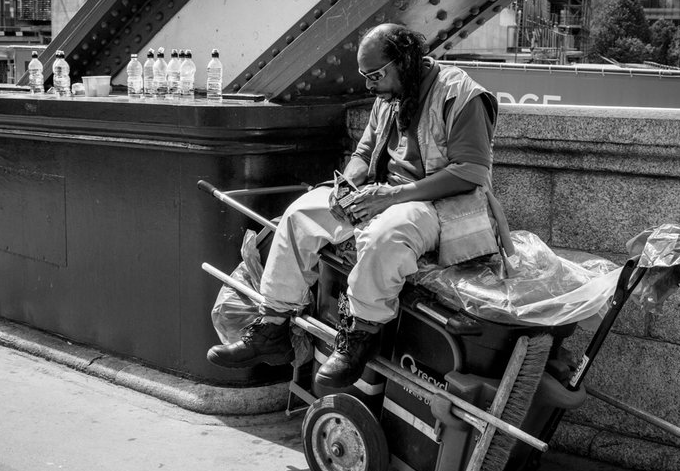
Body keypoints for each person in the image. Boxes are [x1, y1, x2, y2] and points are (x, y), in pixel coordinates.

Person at [208, 23, 498, 387]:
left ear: (405, 61)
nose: (369, 85)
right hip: (383, 193)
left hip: (437, 204)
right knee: (300, 215)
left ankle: (358, 336)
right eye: (365, 75)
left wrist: (390, 197)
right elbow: (363, 152)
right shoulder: (389, 95)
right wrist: (347, 184)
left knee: (386, 235)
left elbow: (471, 172)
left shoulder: (461, 93)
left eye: (375, 75)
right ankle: (272, 327)